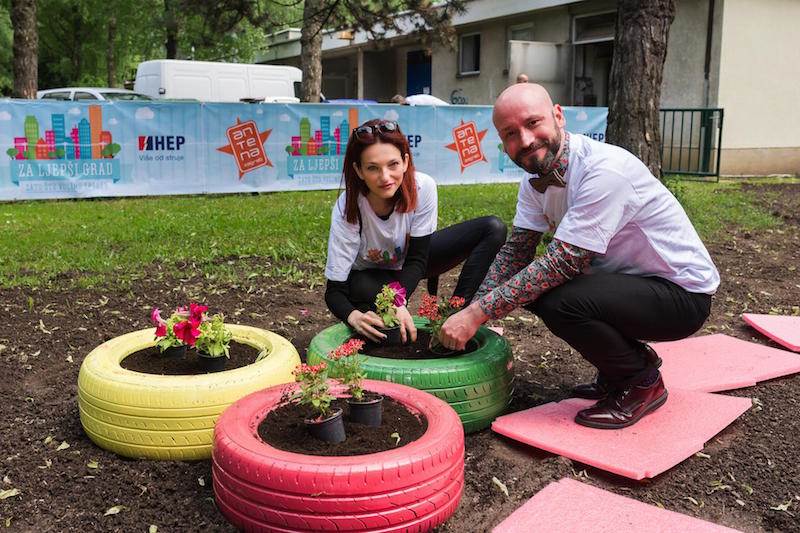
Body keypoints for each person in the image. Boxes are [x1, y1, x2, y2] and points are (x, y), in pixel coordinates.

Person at [439, 83, 720, 429]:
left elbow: (563, 262)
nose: (525, 141)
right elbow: (516, 252)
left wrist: (475, 314)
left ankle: (640, 382)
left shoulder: (604, 170)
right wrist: (475, 312)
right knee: (534, 291)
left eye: (532, 123)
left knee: (559, 300)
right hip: (632, 285)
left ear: (558, 115)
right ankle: (624, 364)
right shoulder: (534, 182)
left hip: (682, 296)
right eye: (510, 133)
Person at [325, 118, 507, 343]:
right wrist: (353, 316)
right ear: (359, 171)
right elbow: (334, 291)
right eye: (373, 168)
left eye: (393, 164)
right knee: (391, 337)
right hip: (369, 278)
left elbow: (418, 259)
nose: (385, 177)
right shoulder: (347, 207)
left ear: (405, 161)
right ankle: (376, 311)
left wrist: (398, 302)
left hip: (413, 263)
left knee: (493, 228)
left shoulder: (423, 186)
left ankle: (455, 316)